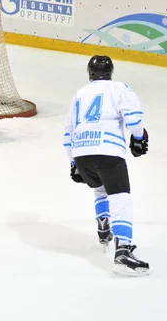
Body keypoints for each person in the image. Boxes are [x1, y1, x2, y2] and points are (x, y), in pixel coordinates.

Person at [63, 55, 150, 277]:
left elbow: (68, 131)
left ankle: (104, 228)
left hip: (82, 152)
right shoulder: (119, 88)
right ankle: (122, 252)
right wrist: (139, 138)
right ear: (110, 72)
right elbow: (133, 119)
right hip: (108, 150)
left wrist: (74, 161)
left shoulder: (79, 94)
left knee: (101, 187)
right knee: (121, 197)